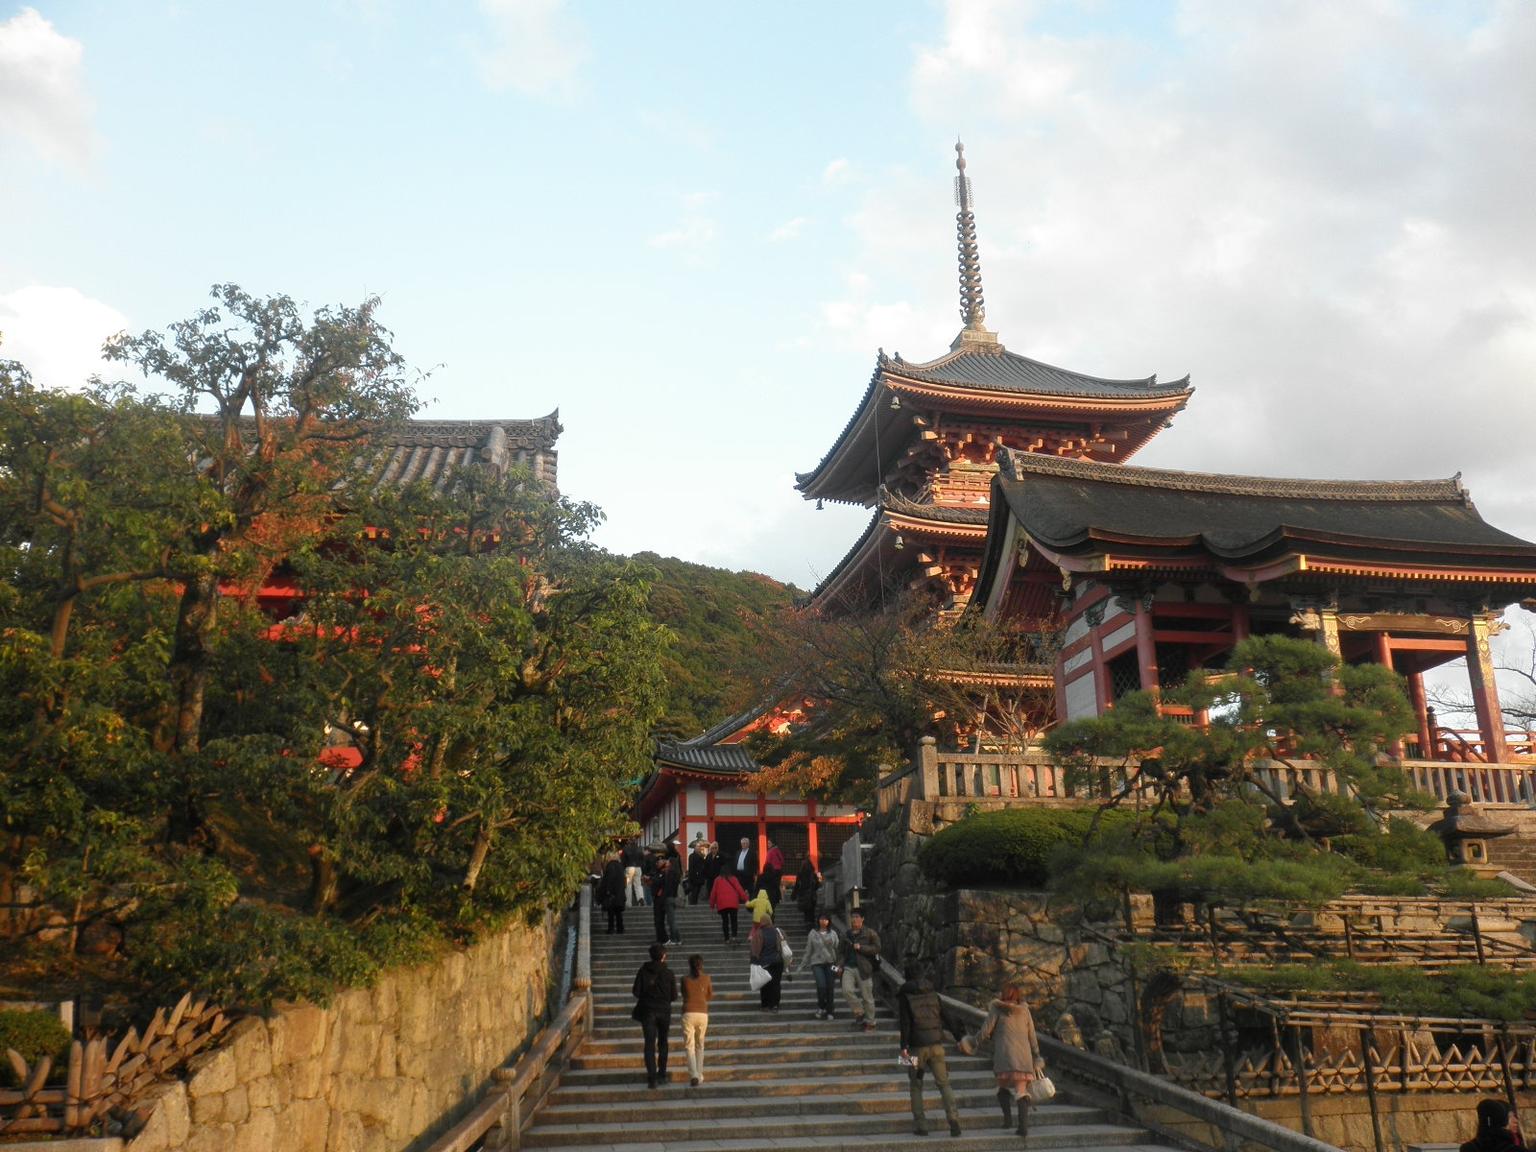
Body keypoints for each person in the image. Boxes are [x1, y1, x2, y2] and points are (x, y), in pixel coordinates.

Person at [963, 984, 1042, 1137]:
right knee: (1021, 1091)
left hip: (1004, 1056)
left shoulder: (997, 1009)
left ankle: (1007, 1120)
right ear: (1017, 995)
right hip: (1023, 1057)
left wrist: (973, 1042)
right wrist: (1037, 1054)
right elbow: (1032, 1035)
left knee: (1002, 1088)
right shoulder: (1025, 1010)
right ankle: (1023, 1127)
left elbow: (985, 1031)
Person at [897, 962, 962, 1138]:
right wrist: (959, 1037)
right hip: (937, 1046)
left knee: (916, 1084)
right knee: (944, 1083)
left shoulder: (905, 995)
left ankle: (921, 1125)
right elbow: (946, 1016)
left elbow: (905, 1023)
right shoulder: (933, 993)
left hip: (916, 1048)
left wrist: (903, 1048)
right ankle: (954, 1120)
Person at [631, 942, 677, 1089]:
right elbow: (674, 996)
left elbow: (636, 992)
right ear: (663, 956)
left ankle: (652, 1078)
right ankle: (662, 1074)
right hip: (664, 1011)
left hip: (648, 1011)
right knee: (663, 1042)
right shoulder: (669, 973)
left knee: (649, 1044)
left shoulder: (643, 971)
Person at [839, 909, 881, 1032]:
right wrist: (839, 965)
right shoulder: (846, 934)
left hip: (864, 967)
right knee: (847, 990)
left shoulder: (869, 933)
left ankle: (871, 1022)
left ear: (862, 919)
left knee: (867, 997)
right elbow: (841, 952)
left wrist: (861, 948)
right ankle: (859, 1012)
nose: (854, 919)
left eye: (857, 917)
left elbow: (877, 948)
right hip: (849, 966)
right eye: (852, 916)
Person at [796, 910, 840, 1019]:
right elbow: (808, 950)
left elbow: (837, 946)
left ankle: (830, 1010)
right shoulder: (813, 933)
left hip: (831, 963)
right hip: (817, 963)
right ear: (818, 920)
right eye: (821, 919)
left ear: (829, 921)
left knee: (830, 987)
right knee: (821, 986)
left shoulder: (833, 933)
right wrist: (802, 965)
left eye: (825, 919)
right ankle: (821, 1006)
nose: (823, 921)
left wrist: (831, 943)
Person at [680, 953, 714, 1087]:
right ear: (701, 965)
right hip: (702, 1013)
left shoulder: (684, 979)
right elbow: (710, 995)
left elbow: (683, 994)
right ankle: (699, 1074)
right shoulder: (707, 978)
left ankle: (693, 1074)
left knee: (689, 1045)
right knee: (700, 1044)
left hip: (688, 1012)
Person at [748, 913, 787, 1011]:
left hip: (764, 962)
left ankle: (765, 1005)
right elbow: (785, 944)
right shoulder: (778, 931)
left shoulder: (759, 933)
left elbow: (755, 949)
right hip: (778, 962)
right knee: (776, 983)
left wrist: (753, 961)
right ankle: (775, 1005)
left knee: (765, 984)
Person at [709, 868, 748, 945]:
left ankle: (726, 939)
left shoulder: (717, 880)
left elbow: (713, 893)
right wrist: (746, 899)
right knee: (734, 920)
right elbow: (739, 889)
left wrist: (712, 905)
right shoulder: (733, 879)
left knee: (725, 921)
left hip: (722, 904)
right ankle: (734, 937)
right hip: (733, 903)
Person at [652, 856, 681, 944]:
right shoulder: (675, 873)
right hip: (672, 897)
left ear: (671, 863)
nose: (666, 863)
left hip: (668, 898)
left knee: (671, 920)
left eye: (668, 862)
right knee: (671, 920)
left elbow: (667, 887)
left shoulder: (670, 873)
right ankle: (675, 938)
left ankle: (675, 939)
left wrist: (662, 897)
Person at [596, 849, 626, 934]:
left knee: (611, 913)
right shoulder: (620, 866)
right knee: (618, 913)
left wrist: (607, 891)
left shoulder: (610, 866)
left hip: (612, 894)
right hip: (619, 893)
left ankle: (611, 928)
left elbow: (608, 880)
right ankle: (620, 928)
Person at [794, 857, 821, 925]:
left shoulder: (800, 874)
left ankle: (807, 923)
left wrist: (794, 894)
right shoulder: (813, 874)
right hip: (811, 896)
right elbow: (817, 885)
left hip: (803, 895)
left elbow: (797, 885)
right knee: (812, 911)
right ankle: (811, 923)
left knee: (806, 911)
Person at [622, 837, 645, 908]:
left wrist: (624, 868)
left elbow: (623, 860)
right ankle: (640, 897)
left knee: (628, 886)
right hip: (638, 868)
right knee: (638, 884)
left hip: (629, 868)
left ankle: (628, 902)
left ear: (629, 842)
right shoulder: (640, 849)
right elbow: (643, 859)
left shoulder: (626, 849)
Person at [686, 840, 709, 906]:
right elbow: (691, 867)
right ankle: (693, 903)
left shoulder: (701, 856)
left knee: (697, 891)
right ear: (695, 848)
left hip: (700, 876)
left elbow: (704, 864)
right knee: (694, 891)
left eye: (699, 847)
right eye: (698, 847)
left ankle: (694, 902)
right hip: (694, 877)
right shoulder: (692, 856)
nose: (699, 849)